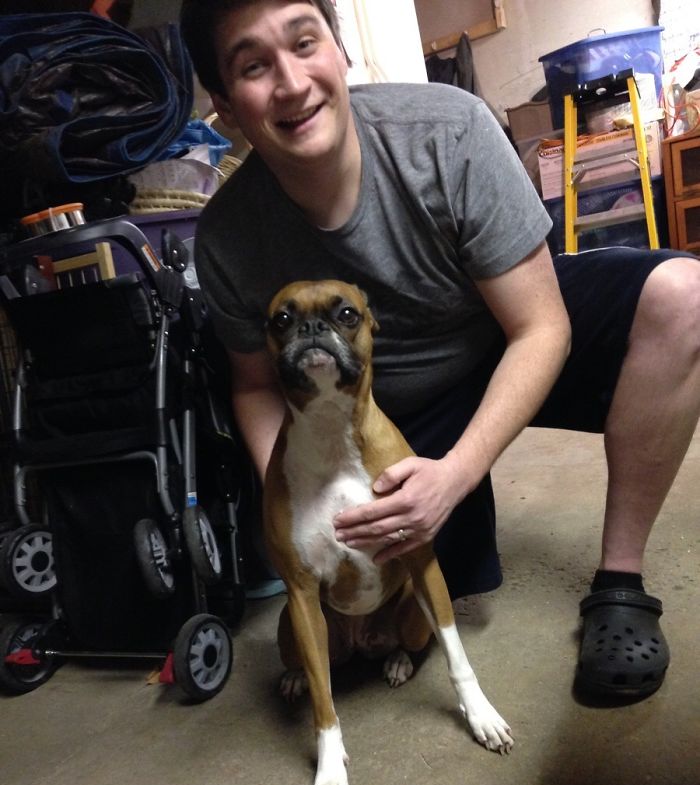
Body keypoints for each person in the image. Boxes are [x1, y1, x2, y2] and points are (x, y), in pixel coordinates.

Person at [179, 0, 700, 700]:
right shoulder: (225, 237)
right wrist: (302, 488)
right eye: (254, 65)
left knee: (684, 297)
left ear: (340, 50)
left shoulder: (447, 132)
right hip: (387, 407)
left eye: (305, 43)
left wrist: (454, 474)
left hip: (499, 326)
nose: (293, 83)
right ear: (225, 106)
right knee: (407, 602)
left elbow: (540, 327)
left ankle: (621, 582)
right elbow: (252, 385)